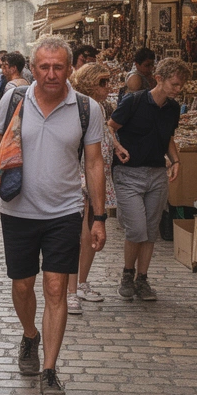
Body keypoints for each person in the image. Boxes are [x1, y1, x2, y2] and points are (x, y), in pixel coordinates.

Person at [0, 36, 107, 395]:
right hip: (18, 209)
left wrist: (98, 216)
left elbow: (94, 163)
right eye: (44, 67)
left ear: (69, 69)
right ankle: (30, 334)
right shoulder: (14, 99)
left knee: (55, 289)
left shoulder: (86, 109)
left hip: (64, 212)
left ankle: (50, 370)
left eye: (59, 67)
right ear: (34, 69)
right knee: (22, 287)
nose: (51, 74)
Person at [110, 58, 191, 302]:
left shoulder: (173, 108)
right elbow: (109, 127)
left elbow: (168, 138)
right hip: (128, 173)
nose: (178, 90)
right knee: (136, 228)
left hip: (156, 173)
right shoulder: (133, 101)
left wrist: (175, 161)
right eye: (174, 84)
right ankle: (127, 274)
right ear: (159, 79)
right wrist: (116, 148)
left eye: (180, 86)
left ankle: (142, 279)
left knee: (151, 230)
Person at [67, 63, 118, 311]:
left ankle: (80, 283)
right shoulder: (86, 105)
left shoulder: (98, 107)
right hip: (84, 175)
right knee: (83, 232)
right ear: (88, 82)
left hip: (96, 175)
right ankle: (72, 288)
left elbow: (105, 135)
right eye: (102, 82)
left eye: (108, 81)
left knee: (90, 231)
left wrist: (117, 147)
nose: (107, 87)